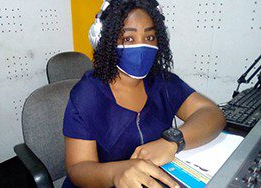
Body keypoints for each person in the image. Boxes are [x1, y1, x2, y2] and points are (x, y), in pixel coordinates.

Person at [62, 0, 226, 187]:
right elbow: (78, 168)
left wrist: (172, 142)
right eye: (129, 39)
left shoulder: (163, 82)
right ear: (105, 39)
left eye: (149, 38)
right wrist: (117, 173)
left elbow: (211, 113)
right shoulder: (87, 95)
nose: (141, 47)